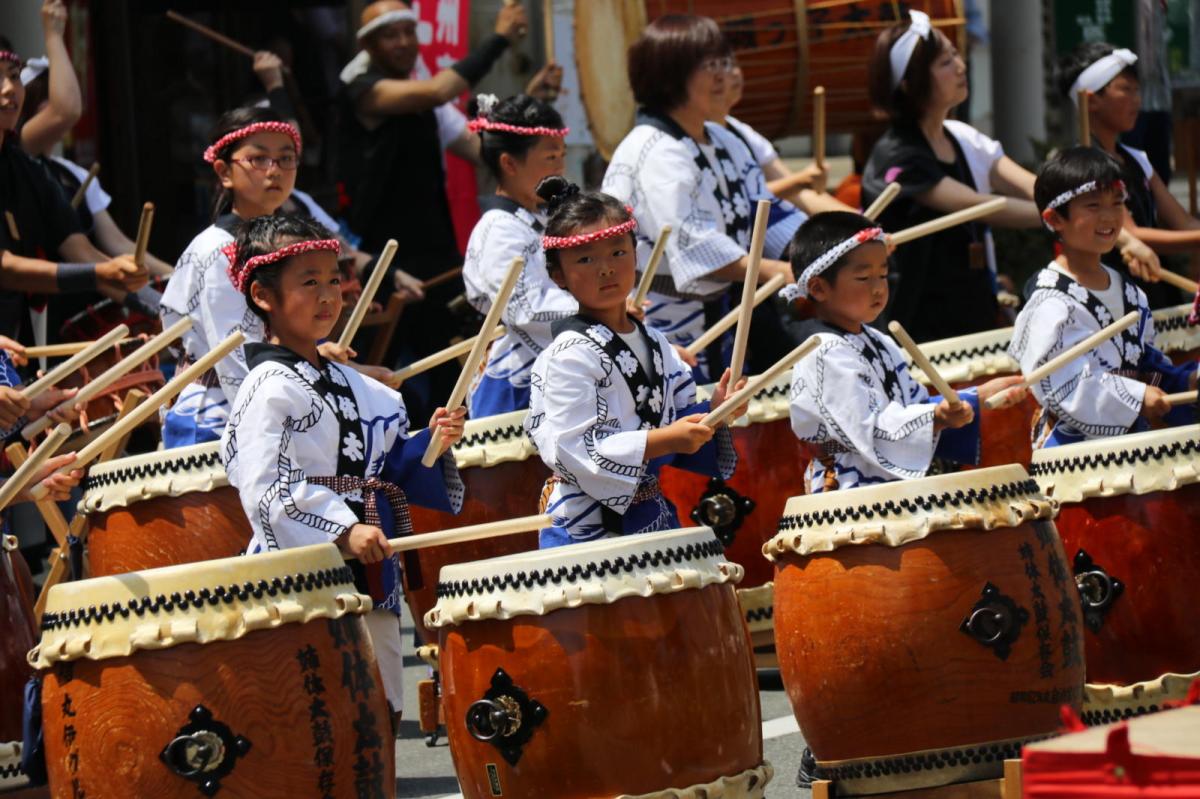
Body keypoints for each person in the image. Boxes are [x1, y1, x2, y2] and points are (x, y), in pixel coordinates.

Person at [220, 214, 465, 727]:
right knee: (325, 718)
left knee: (378, 713)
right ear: (264, 297)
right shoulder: (269, 386)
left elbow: (386, 466)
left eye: (335, 279)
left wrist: (431, 442)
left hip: (368, 565)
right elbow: (266, 491)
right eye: (309, 282)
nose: (329, 294)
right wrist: (344, 529)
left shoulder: (353, 386)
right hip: (303, 575)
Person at [525, 176, 747, 548]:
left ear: (636, 255)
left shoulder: (657, 343)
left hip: (651, 511)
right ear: (557, 275)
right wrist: (663, 440)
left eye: (617, 252)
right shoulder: (566, 357)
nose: (606, 268)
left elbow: (678, 416)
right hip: (586, 523)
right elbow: (572, 448)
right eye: (586, 258)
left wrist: (715, 412)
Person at [337, 0, 530, 418]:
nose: (404, 42)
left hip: (434, 254)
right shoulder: (365, 90)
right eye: (391, 34)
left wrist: (531, 130)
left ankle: (459, 469)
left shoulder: (428, 104)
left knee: (449, 367)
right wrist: (497, 38)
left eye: (409, 31)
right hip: (383, 261)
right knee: (382, 374)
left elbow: (483, 152)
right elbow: (441, 88)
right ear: (368, 44)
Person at [602, 15, 795, 382]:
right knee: (681, 421)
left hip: (722, 313)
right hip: (662, 318)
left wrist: (825, 249)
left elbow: (764, 211)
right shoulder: (654, 151)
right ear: (671, 75)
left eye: (725, 61)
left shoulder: (724, 141)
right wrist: (776, 270)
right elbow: (693, 242)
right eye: (711, 66)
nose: (726, 76)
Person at [159, 107, 362, 447]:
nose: (275, 171)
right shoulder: (216, 251)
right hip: (218, 417)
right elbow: (235, 355)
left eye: (286, 159)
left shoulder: (286, 246)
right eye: (258, 159)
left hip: (275, 399)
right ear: (224, 171)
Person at [783, 212, 1025, 493]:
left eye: (883, 274)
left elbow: (912, 406)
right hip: (847, 486)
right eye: (863, 277)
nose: (878, 288)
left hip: (890, 484)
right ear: (818, 288)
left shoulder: (879, 341)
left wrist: (976, 398)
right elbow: (867, 427)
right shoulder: (824, 352)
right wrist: (937, 417)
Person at [860, 10, 1045, 342]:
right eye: (945, 62)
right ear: (910, 82)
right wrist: (1059, 216)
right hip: (917, 321)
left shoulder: (958, 136)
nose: (961, 66)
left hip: (971, 305)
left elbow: (1034, 186)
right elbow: (980, 207)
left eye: (956, 55)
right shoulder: (897, 153)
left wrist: (1074, 198)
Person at [1009, 147, 1197, 449]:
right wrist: (1134, 397)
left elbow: (1145, 365)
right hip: (1077, 456)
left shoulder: (1131, 293)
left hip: (1135, 443)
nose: (1109, 216)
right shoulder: (1050, 305)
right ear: (1055, 218)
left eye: (1118, 203)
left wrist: (1183, 383)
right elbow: (1063, 386)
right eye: (1093, 205)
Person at [0, 41, 148, 344]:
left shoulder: (28, 172)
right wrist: (99, 273)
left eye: (14, 76)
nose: (8, 88)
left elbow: (80, 251)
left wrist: (160, 308)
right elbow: (6, 269)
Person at [1059, 42, 1200, 305]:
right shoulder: (1079, 166)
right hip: (1108, 294)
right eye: (1126, 90)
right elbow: (1130, 233)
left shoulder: (1136, 158)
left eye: (1138, 90)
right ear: (1091, 100)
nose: (1137, 100)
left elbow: (1184, 222)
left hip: (1154, 283)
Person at [461, 93, 576, 417]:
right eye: (551, 158)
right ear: (509, 163)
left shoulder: (541, 220)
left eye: (562, 156)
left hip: (560, 367)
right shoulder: (498, 229)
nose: (560, 168)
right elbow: (527, 309)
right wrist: (600, 309)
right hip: (515, 378)